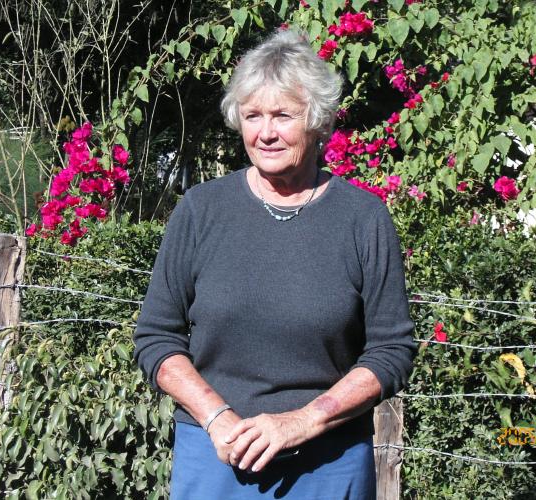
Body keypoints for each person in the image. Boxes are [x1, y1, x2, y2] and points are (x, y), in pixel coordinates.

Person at [133, 28, 416, 499]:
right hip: (216, 457)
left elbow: (391, 351)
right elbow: (156, 337)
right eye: (253, 116)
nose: (265, 133)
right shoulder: (201, 211)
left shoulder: (363, 219)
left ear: (318, 122)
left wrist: (303, 421)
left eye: (283, 115)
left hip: (328, 464)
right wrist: (217, 416)